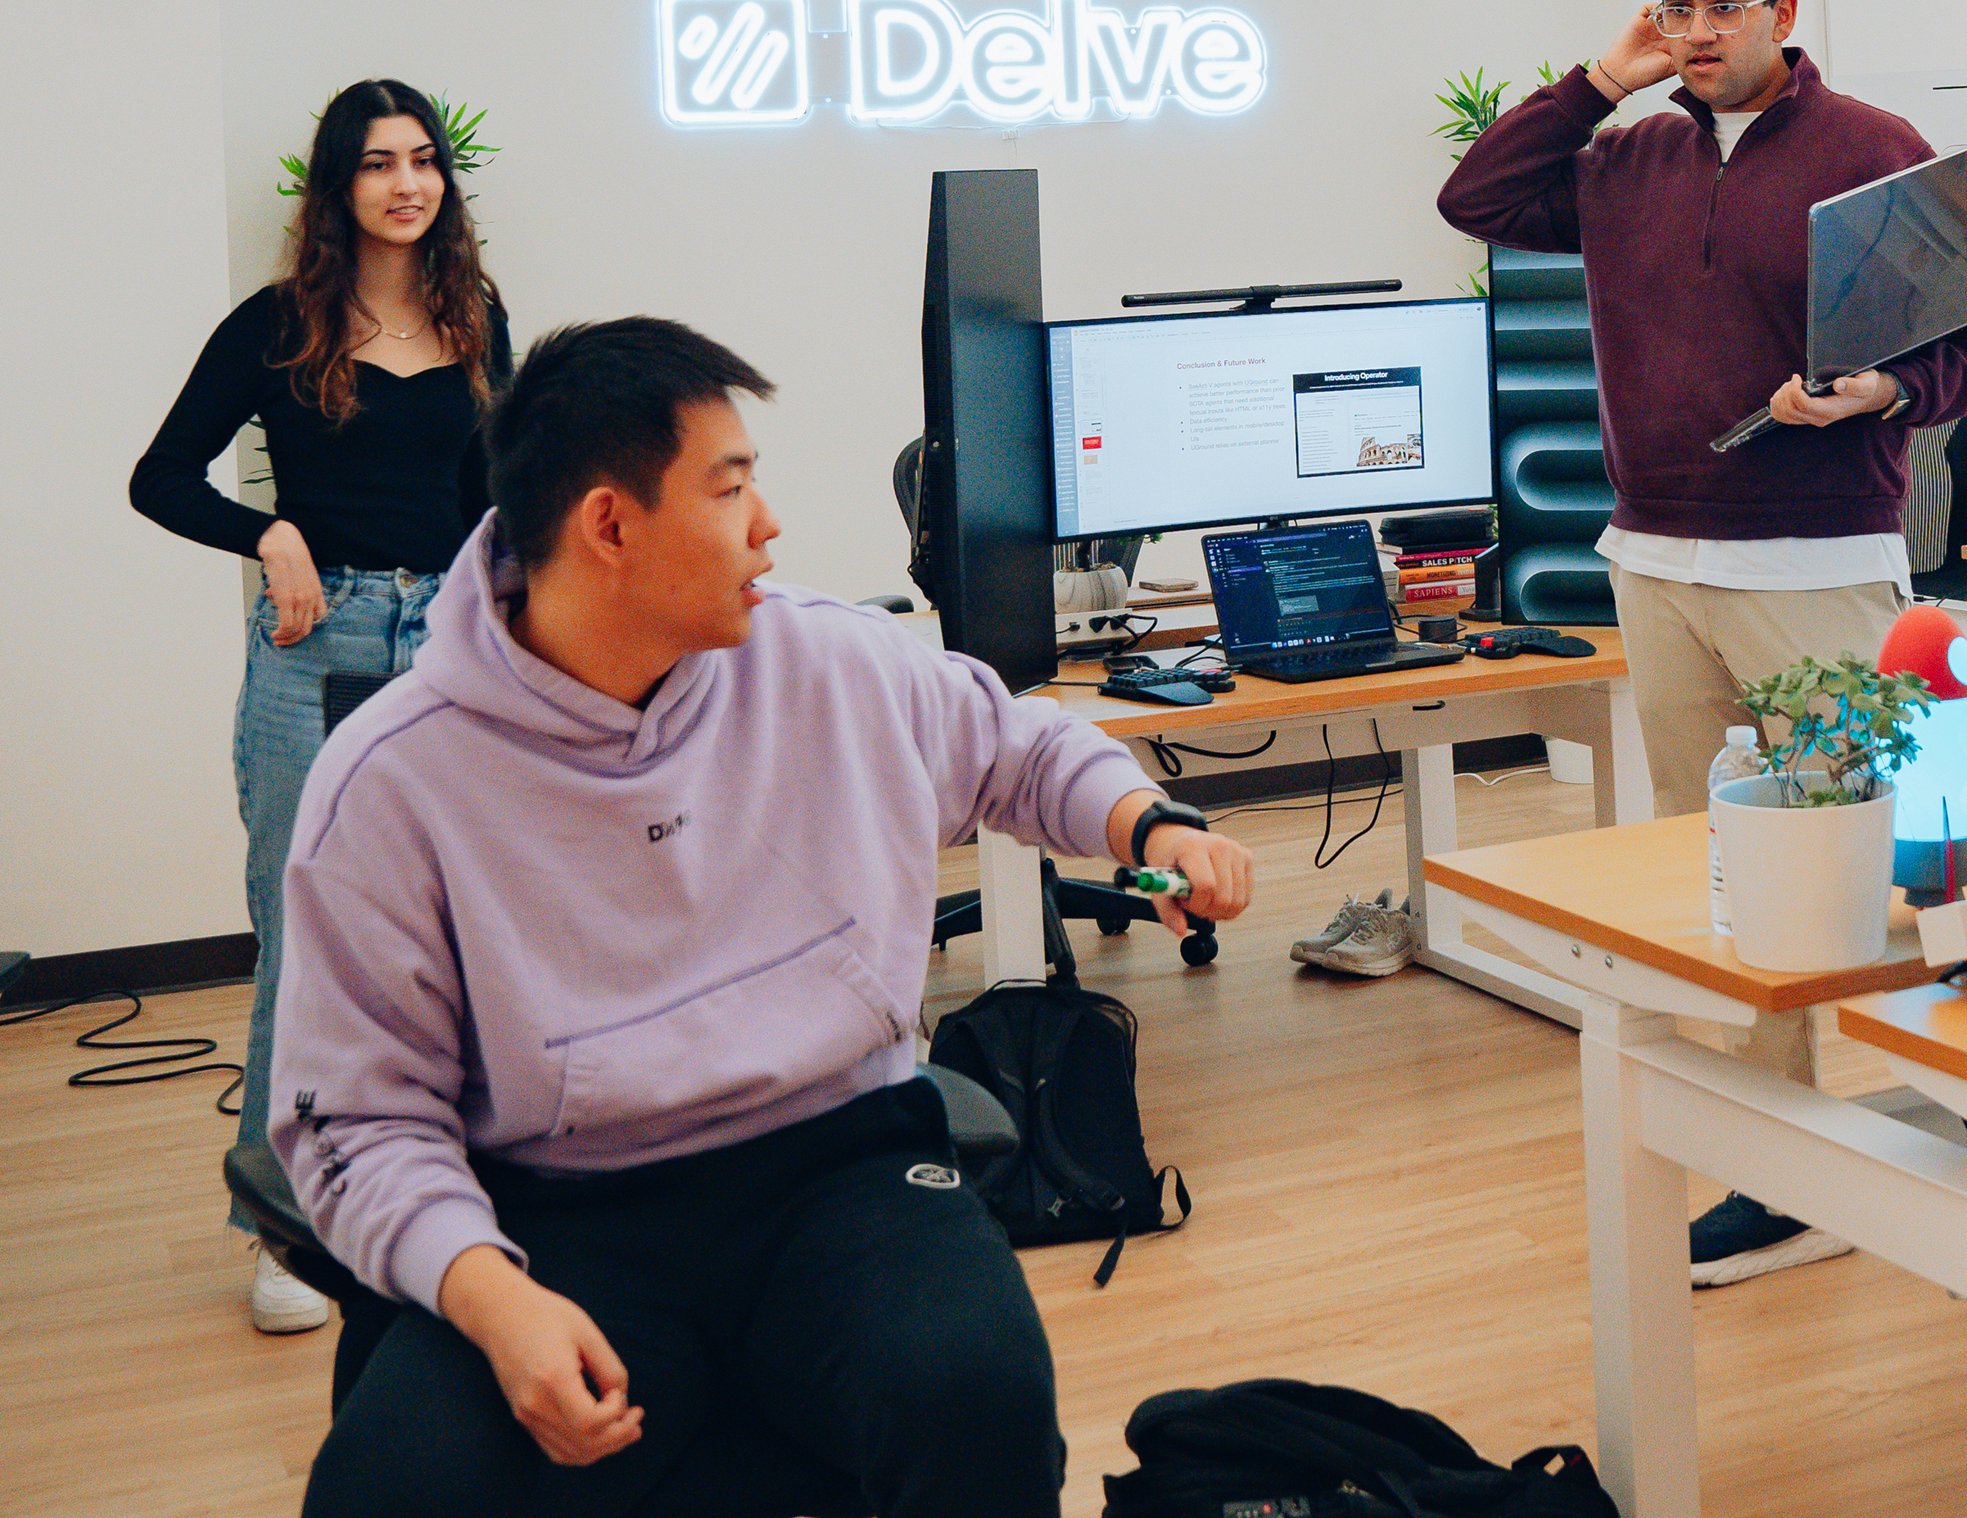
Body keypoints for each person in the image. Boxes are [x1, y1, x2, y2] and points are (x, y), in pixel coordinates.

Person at [270, 317, 1254, 1518]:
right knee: (397, 1490)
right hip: (559, 1209)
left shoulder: (827, 660)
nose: (768, 523)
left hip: (840, 1162)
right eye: (730, 486)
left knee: (974, 1401)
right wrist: (492, 1296)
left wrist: (1150, 828)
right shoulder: (392, 778)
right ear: (610, 526)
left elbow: (1018, 744)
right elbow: (357, 1121)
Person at [1438, 0, 1967, 1283]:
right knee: (1732, 870)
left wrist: (1884, 386)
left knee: (1903, 848)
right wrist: (1599, 79)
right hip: (1655, 558)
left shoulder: (1867, 153)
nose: (1697, 31)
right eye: (1676, 5)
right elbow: (1474, 197)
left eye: (1722, 5)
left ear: (1781, 10)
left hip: (1817, 559)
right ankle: (1785, 1154)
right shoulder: (1624, 159)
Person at [131, 78, 509, 1333]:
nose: (405, 183)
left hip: (450, 648)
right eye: (376, 163)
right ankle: (286, 1234)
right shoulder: (276, 324)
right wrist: (269, 532)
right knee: (304, 945)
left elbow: (492, 497)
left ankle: (446, 1206)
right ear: (336, 185)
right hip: (317, 645)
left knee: (461, 936)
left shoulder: (474, 315)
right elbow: (159, 478)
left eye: (423, 161)